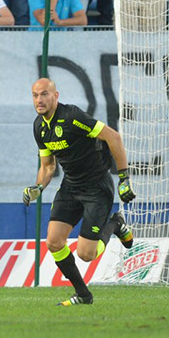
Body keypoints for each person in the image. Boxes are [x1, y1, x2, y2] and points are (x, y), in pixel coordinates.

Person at [22, 78, 135, 306]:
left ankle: (115, 224)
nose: (39, 100)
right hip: (71, 187)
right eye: (35, 95)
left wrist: (124, 177)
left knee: (86, 254)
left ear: (56, 96)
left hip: (96, 187)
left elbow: (113, 137)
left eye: (44, 94)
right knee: (53, 242)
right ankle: (84, 295)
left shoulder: (72, 116)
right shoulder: (39, 127)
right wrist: (38, 187)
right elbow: (48, 167)